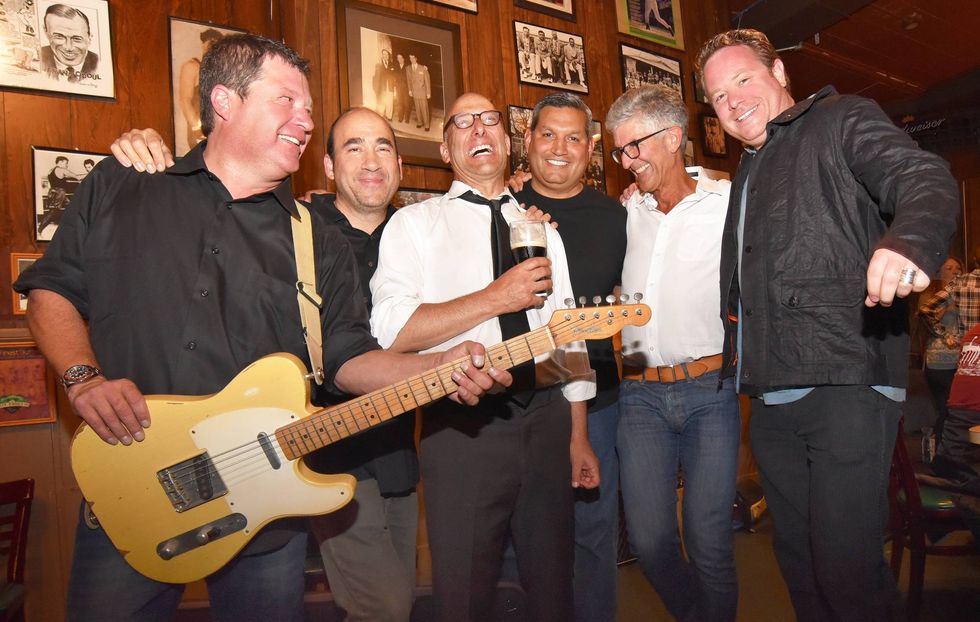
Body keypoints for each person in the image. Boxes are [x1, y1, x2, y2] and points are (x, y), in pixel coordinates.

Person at [13, 34, 503, 622]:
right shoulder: (125, 182)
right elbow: (51, 291)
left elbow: (347, 356)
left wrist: (432, 370)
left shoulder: (315, 236)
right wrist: (84, 380)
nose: (306, 118)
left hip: (264, 507)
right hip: (133, 489)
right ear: (225, 101)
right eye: (287, 101)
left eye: (309, 107)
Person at [698, 28, 960, 621]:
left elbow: (924, 178)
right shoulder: (748, 172)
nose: (733, 99)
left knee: (845, 570)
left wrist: (908, 242)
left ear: (781, 75)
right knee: (801, 568)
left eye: (743, 79)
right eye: (718, 95)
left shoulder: (842, 118)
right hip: (770, 396)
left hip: (846, 379)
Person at [370, 92, 599, 622]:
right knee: (463, 593)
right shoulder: (414, 225)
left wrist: (578, 433)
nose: (479, 130)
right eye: (463, 123)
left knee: (552, 587)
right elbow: (389, 330)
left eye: (490, 120)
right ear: (447, 149)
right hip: (461, 427)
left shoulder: (543, 230)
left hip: (547, 421)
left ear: (507, 140)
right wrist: (498, 297)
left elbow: (570, 338)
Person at [608, 85, 739, 622]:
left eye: (634, 147)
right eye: (619, 152)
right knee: (651, 541)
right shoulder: (626, 213)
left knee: (708, 541)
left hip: (711, 392)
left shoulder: (728, 203)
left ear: (674, 138)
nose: (627, 162)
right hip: (639, 398)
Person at [509, 92, 627, 622]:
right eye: (548, 134)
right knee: (518, 541)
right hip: (518, 403)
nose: (560, 148)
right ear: (528, 141)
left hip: (597, 402)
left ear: (591, 148)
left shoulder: (615, 216)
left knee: (594, 534)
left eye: (574, 137)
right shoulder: (502, 209)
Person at [918, 256, 965, 449]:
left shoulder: (965, 292)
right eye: (949, 268)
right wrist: (946, 304)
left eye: (957, 268)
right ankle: (938, 448)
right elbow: (927, 318)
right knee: (946, 407)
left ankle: (949, 448)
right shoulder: (930, 294)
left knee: (957, 409)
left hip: (961, 361)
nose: (955, 271)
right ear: (939, 273)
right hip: (938, 361)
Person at [178, 28, 223, 151]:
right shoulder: (191, 66)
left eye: (216, 42)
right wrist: (196, 128)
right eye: (210, 42)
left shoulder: (221, 71)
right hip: (200, 130)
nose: (213, 45)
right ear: (203, 44)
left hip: (218, 131)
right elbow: (185, 100)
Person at [40, 4, 99, 82]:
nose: (68, 47)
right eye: (59, 36)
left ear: (89, 38)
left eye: (76, 39)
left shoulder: (100, 64)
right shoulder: (36, 57)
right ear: (46, 33)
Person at [406, 53, 430, 132]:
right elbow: (408, 80)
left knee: (424, 108)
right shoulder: (408, 68)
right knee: (417, 108)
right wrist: (409, 90)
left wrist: (428, 92)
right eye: (410, 58)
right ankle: (419, 122)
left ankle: (427, 124)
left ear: (416, 58)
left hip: (422, 91)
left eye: (413, 58)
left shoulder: (422, 68)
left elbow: (427, 81)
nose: (411, 60)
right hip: (414, 91)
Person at [372, 48, 395, 121]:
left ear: (388, 55)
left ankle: (389, 116)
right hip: (382, 87)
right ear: (382, 55)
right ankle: (381, 116)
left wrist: (395, 87)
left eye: (386, 54)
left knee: (390, 102)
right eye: (384, 54)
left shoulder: (392, 64)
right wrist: (376, 89)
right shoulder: (378, 65)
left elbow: (395, 76)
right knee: (382, 102)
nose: (385, 56)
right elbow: (375, 77)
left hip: (390, 87)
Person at [392, 53, 411, 124]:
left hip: (406, 88)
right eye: (398, 58)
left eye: (401, 58)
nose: (399, 59)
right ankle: (400, 117)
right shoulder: (395, 67)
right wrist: (394, 87)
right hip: (398, 88)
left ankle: (407, 118)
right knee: (399, 103)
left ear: (403, 58)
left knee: (406, 103)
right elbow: (393, 77)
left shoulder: (408, 67)